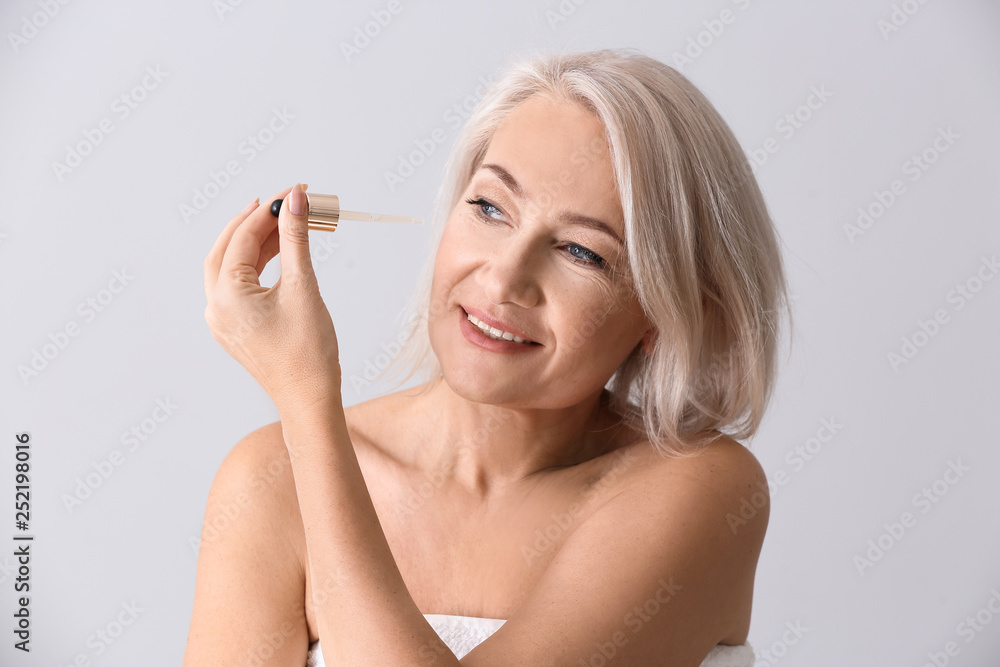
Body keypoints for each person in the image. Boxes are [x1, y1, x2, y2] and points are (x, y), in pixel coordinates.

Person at [184, 47, 792, 666]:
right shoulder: (268, 479)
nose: (503, 280)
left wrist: (307, 405)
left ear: (665, 313)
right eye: (490, 207)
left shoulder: (699, 490)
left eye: (582, 252)